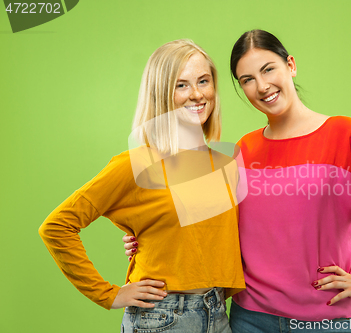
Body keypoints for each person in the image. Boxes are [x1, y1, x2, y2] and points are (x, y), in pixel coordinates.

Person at [125, 30, 351, 333]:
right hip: (249, 319)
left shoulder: (342, 134)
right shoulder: (243, 150)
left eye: (268, 69)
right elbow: (194, 221)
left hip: (325, 321)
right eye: (247, 80)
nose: (261, 86)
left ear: (291, 65)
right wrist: (145, 238)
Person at [39, 39, 245, 333]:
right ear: (160, 93)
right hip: (163, 318)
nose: (197, 94)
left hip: (218, 313)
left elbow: (203, 237)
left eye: (204, 81)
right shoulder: (136, 163)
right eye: (181, 85)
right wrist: (109, 294)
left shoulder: (221, 162)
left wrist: (145, 238)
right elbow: (56, 226)